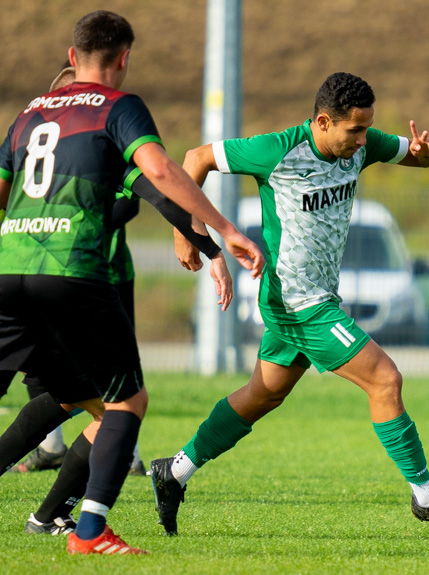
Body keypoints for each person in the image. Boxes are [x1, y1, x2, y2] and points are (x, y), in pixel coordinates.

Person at [149, 71, 429, 536]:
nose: (364, 140)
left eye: (367, 129)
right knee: (385, 378)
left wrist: (423, 158)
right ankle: (427, 496)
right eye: (355, 131)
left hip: (316, 298)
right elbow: (194, 159)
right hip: (298, 302)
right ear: (323, 121)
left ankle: (174, 472)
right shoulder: (277, 149)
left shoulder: (361, 144)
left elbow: (414, 157)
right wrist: (186, 232)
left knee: (264, 394)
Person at [0, 11, 263, 555]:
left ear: (71, 58)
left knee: (73, 397)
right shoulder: (118, 109)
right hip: (73, 274)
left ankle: (52, 514)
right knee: (126, 403)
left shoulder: (28, 115)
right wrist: (225, 229)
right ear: (124, 58)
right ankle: (89, 534)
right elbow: (161, 174)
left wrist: (209, 245)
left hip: (10, 270)